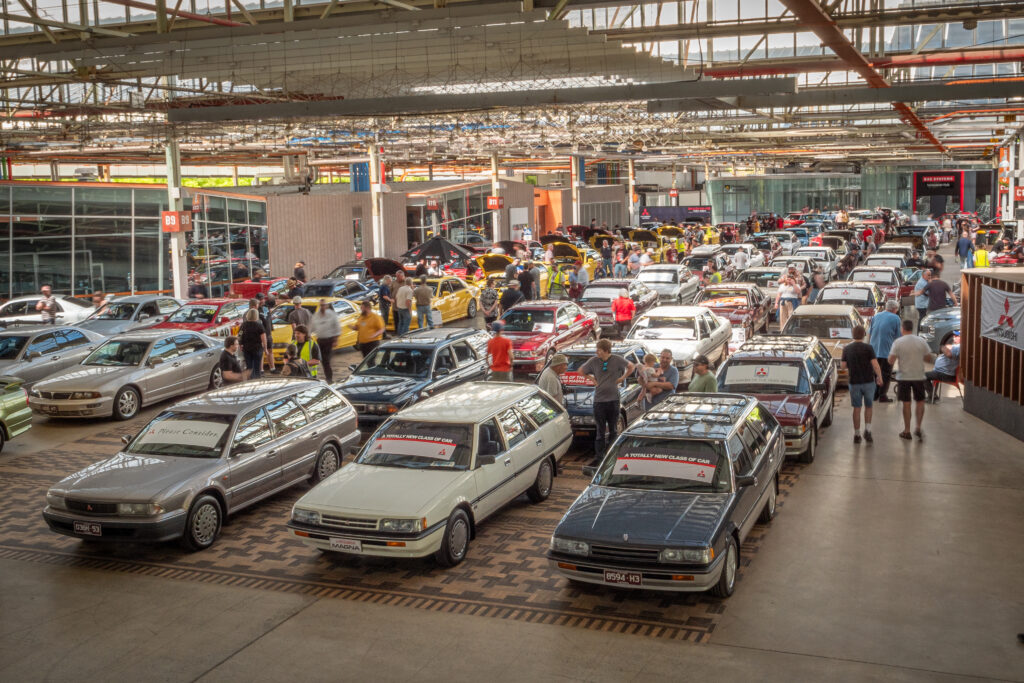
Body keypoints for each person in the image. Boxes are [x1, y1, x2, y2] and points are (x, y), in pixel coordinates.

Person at [580, 339, 636, 465]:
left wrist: (622, 378)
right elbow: (581, 371)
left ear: (606, 350)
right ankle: (599, 457)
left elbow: (631, 366)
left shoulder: (617, 359)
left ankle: (612, 455)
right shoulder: (594, 361)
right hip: (599, 401)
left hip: (613, 400)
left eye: (599, 350)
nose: (596, 352)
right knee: (600, 431)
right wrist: (592, 380)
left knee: (613, 430)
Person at [888, 318, 934, 441]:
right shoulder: (921, 341)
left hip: (904, 377)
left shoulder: (898, 342)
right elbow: (929, 358)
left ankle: (907, 430)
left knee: (906, 403)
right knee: (920, 401)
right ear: (912, 328)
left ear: (902, 329)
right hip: (919, 376)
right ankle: (918, 427)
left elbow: (891, 360)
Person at [841, 324, 883, 444]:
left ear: (853, 335)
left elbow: (843, 367)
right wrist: (879, 377)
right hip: (869, 382)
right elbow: (875, 365)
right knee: (869, 406)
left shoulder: (847, 349)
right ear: (864, 334)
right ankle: (868, 431)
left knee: (857, 408)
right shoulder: (868, 348)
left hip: (854, 382)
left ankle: (857, 434)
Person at [869, 299, 902, 402]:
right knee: (886, 373)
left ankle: (874, 394)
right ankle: (882, 395)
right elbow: (898, 337)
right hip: (887, 351)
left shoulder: (876, 316)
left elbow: (870, 333)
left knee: (875, 373)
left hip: (873, 349)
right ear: (894, 309)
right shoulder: (896, 318)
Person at [925, 332, 960, 403]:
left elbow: (949, 354)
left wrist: (943, 347)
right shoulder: (956, 346)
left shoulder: (959, 347)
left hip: (946, 374)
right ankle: (932, 395)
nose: (954, 337)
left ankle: (933, 396)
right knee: (932, 373)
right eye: (954, 335)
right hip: (942, 372)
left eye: (957, 336)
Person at [311, 300, 341, 381]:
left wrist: (335, 340)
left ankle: (329, 378)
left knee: (326, 360)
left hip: (329, 340)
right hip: (320, 341)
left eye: (324, 305)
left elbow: (337, 327)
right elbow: (312, 327)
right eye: (321, 305)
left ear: (326, 306)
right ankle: (327, 377)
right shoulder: (316, 315)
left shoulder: (331, 314)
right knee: (323, 361)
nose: (322, 307)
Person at [238, 308, 268, 379]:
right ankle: (257, 379)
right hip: (257, 348)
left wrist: (240, 344)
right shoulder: (259, 325)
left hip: (247, 348)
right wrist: (265, 349)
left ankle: (250, 379)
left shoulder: (243, 325)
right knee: (257, 366)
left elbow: (239, 336)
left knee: (249, 366)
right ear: (256, 316)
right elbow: (264, 339)